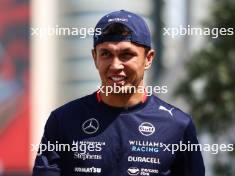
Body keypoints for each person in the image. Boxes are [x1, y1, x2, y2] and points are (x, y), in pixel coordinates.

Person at [32, 10, 205, 176]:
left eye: (126, 54)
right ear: (95, 58)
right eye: (106, 53)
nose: (115, 66)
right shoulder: (63, 120)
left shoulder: (178, 125)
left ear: (148, 59)